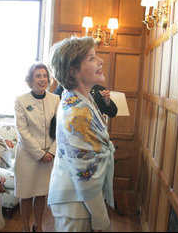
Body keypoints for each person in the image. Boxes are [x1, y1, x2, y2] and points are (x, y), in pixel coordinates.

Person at [48, 36, 115, 232]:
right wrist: (102, 220)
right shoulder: (77, 112)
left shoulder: (82, 98)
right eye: (91, 58)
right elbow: (85, 177)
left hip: (77, 199)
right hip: (76, 203)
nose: (100, 61)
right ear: (72, 70)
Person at [14, 62, 60, 232]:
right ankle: (26, 227)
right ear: (30, 79)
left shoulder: (56, 99)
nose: (42, 79)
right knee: (26, 194)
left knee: (41, 193)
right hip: (28, 155)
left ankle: (38, 226)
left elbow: (59, 129)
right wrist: (39, 154)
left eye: (44, 75)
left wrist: (52, 152)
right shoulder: (21, 100)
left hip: (49, 154)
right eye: (38, 76)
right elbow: (22, 131)